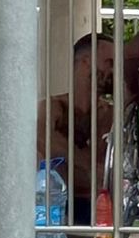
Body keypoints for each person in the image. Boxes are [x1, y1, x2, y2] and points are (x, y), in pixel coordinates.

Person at [36, 33, 117, 224]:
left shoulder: (110, 114)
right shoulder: (52, 107)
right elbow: (42, 141)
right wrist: (89, 168)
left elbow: (109, 166)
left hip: (99, 207)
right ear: (85, 62)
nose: (115, 69)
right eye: (109, 62)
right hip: (54, 206)